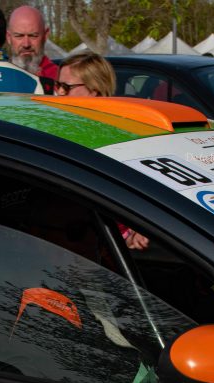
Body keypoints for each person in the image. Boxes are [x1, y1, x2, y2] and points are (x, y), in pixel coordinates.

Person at [56, 52, 149, 250]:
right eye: (57, 86)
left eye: (67, 87)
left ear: (95, 91)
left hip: (100, 249)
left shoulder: (114, 136)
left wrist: (129, 233)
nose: (59, 93)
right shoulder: (60, 130)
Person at [7, 5, 58, 87]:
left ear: (45, 35)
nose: (26, 44)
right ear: (8, 37)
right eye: (19, 36)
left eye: (33, 36)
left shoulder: (60, 79)